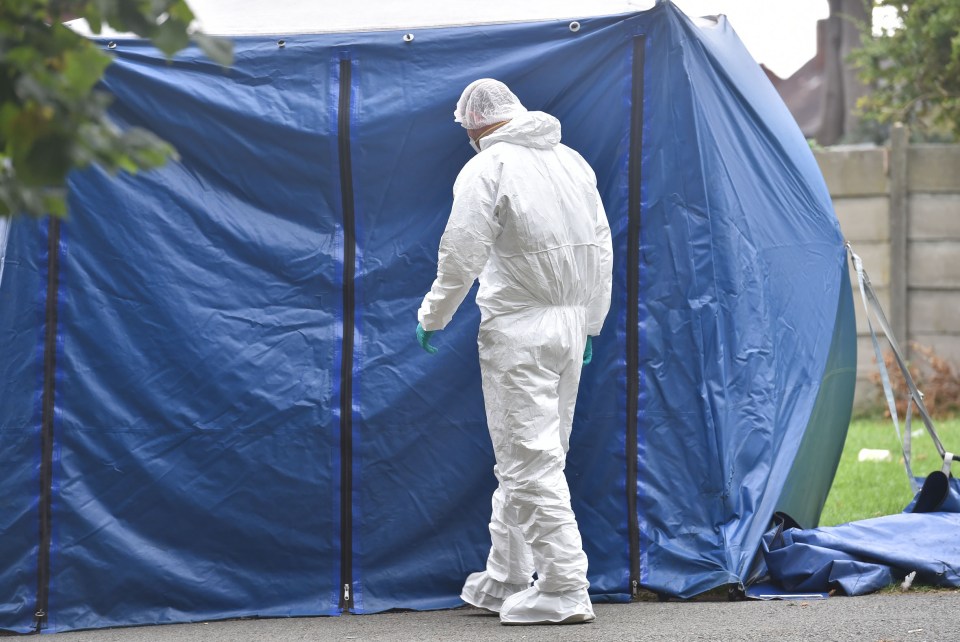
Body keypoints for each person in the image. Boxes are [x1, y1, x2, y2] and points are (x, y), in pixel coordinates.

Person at [415, 79, 613, 625]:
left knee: (527, 460)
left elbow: (460, 254)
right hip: (571, 325)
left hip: (519, 328)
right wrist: (591, 322)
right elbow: (602, 246)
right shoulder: (572, 162)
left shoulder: (487, 167)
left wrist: (433, 315)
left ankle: (564, 585)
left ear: (475, 124)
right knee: (535, 458)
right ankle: (505, 576)